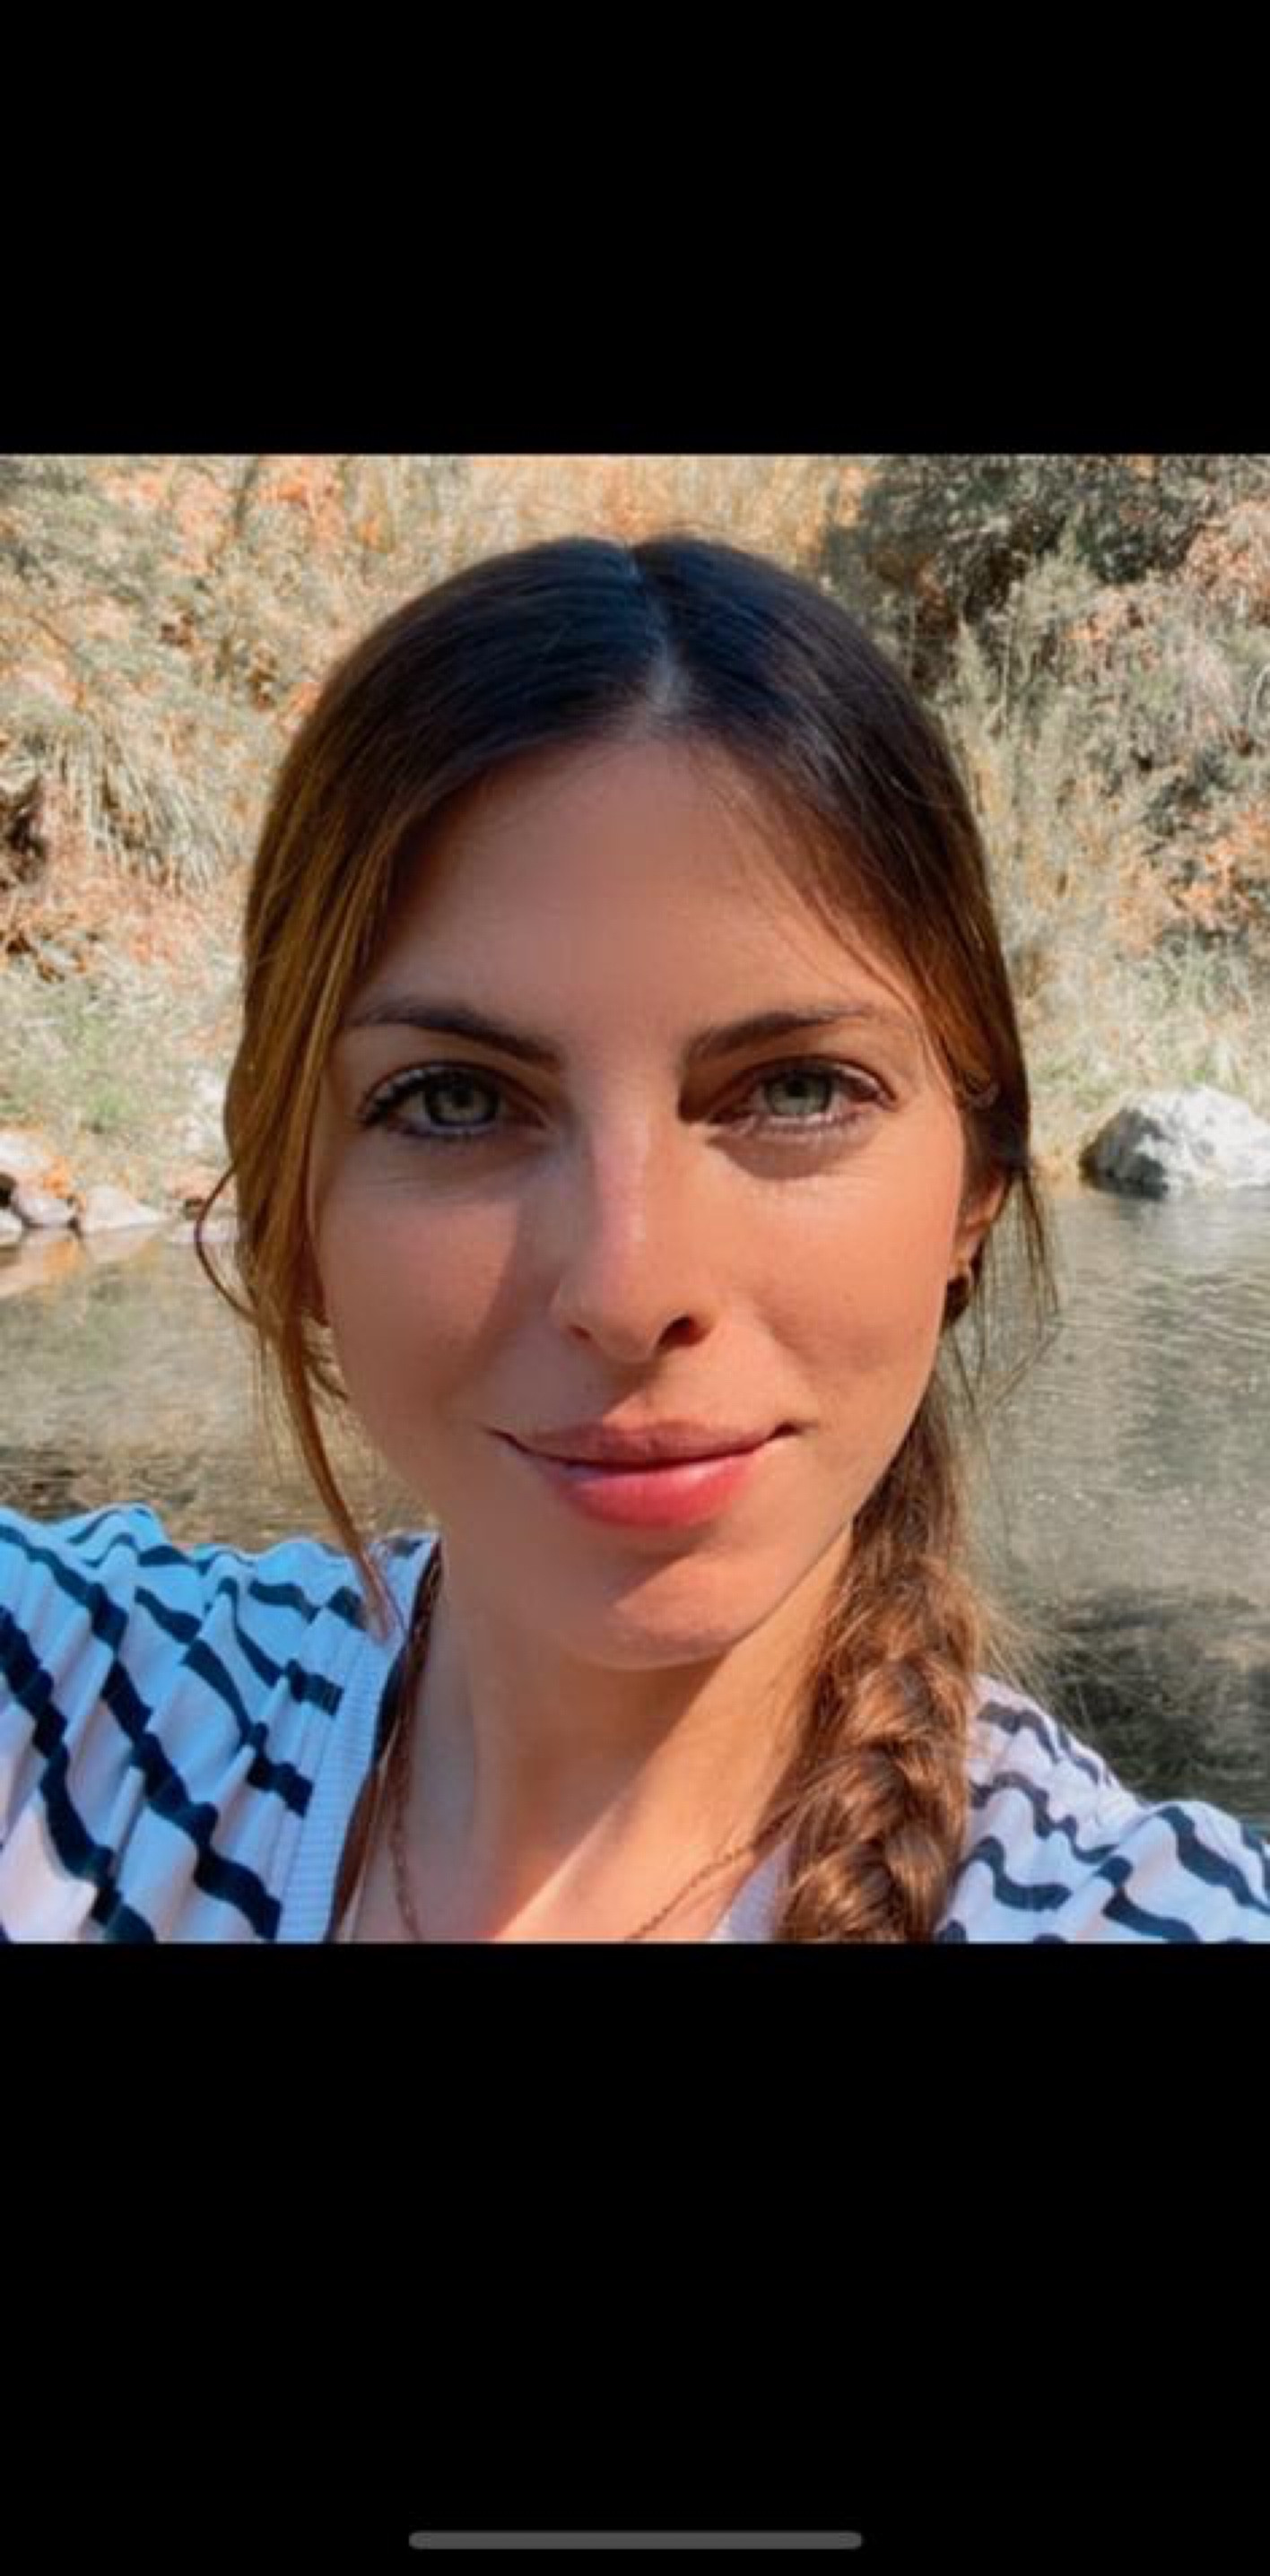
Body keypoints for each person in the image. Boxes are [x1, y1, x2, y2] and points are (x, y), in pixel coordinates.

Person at [2, 530, 1268, 1943]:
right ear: (296, 1201)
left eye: (797, 1090)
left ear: (974, 1189)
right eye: (456, 1099)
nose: (627, 1285)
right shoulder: (61, 1716)